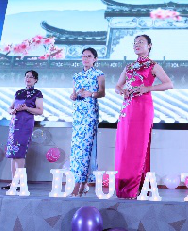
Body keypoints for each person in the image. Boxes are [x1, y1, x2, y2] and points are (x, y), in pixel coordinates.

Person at [114, 35, 173, 199]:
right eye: (135, 43)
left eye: (141, 42)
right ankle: (124, 186)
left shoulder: (153, 65)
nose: (137, 45)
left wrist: (148, 88)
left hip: (142, 108)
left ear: (149, 45)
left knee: (138, 146)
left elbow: (169, 84)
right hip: (127, 108)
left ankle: (135, 187)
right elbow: (117, 86)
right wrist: (122, 91)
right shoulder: (129, 66)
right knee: (124, 146)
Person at [69, 47, 106, 197]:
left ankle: (78, 185)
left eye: (89, 56)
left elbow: (102, 93)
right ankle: (82, 183)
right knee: (76, 149)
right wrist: (73, 96)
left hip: (90, 113)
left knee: (85, 148)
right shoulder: (76, 76)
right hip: (78, 114)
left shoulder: (99, 74)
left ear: (95, 59)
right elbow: (73, 93)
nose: (85, 59)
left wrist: (90, 94)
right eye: (83, 56)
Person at [2, 70, 44, 190]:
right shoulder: (19, 92)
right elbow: (10, 107)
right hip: (14, 124)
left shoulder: (37, 93)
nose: (28, 79)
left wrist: (26, 108)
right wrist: (12, 111)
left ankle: (19, 182)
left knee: (19, 153)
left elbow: (40, 111)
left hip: (25, 124)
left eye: (31, 77)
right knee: (13, 154)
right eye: (26, 76)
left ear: (36, 80)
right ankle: (13, 182)